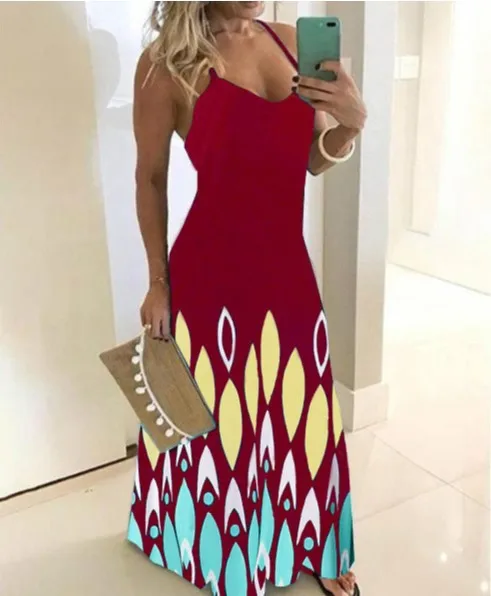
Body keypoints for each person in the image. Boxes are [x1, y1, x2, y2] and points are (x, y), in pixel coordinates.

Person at [128, 2, 366, 595]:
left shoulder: (293, 43)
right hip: (211, 274)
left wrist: (349, 126)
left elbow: (307, 161)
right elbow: (150, 178)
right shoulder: (165, 64)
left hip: (286, 268)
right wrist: (158, 282)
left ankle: (313, 540)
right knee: (220, 423)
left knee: (303, 410)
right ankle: (226, 553)